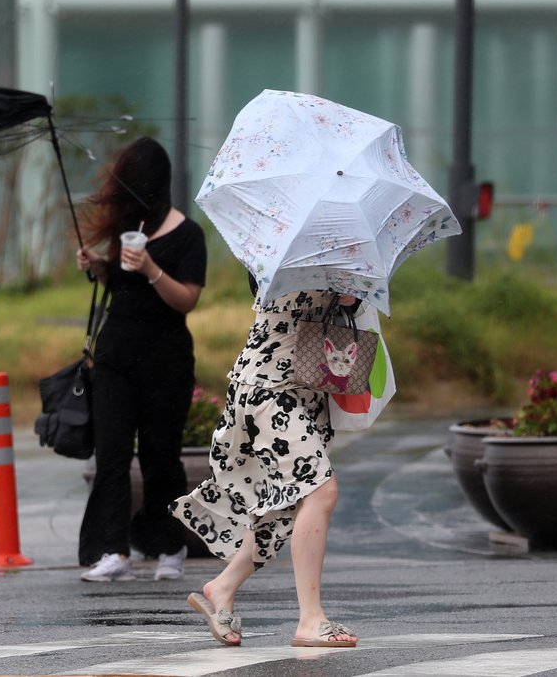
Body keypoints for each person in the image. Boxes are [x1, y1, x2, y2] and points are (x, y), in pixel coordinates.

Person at [171, 282, 360, 648]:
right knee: (320, 491)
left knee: (291, 505)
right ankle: (311, 618)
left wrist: (348, 297)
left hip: (308, 387)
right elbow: (273, 290)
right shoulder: (283, 249)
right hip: (269, 389)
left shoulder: (335, 254)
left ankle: (221, 587)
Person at [73, 136, 206, 582]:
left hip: (165, 362)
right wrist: (100, 268)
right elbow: (121, 289)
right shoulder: (127, 227)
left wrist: (151, 269)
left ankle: (167, 546)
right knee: (111, 455)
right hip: (115, 358)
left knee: (159, 455)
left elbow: (185, 300)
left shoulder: (188, 235)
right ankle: (112, 550)